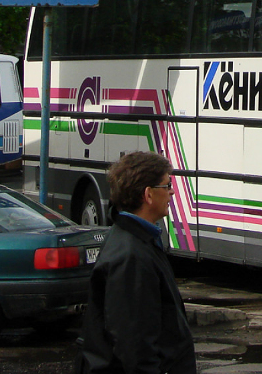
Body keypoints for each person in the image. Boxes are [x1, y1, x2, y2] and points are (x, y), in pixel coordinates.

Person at [79, 151, 196, 374]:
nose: (172, 192)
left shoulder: (136, 239)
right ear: (148, 194)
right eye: (167, 185)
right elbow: (134, 345)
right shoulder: (131, 256)